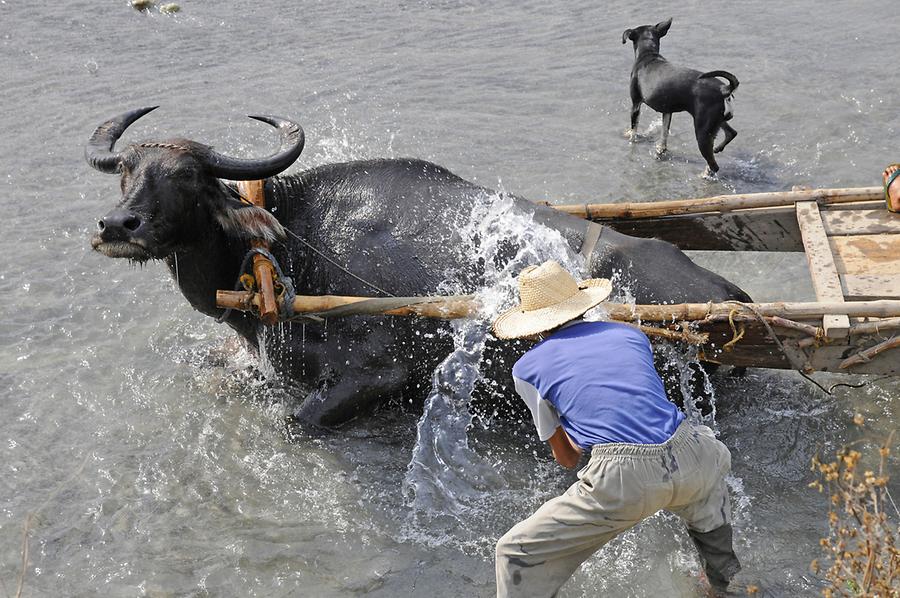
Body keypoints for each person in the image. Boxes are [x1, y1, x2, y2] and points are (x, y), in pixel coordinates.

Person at [492, 260, 741, 597]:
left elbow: (566, 457)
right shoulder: (629, 334)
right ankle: (725, 586)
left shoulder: (526, 368)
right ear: (581, 304)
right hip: (693, 452)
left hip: (626, 477)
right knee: (713, 536)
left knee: (513, 552)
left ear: (533, 325)